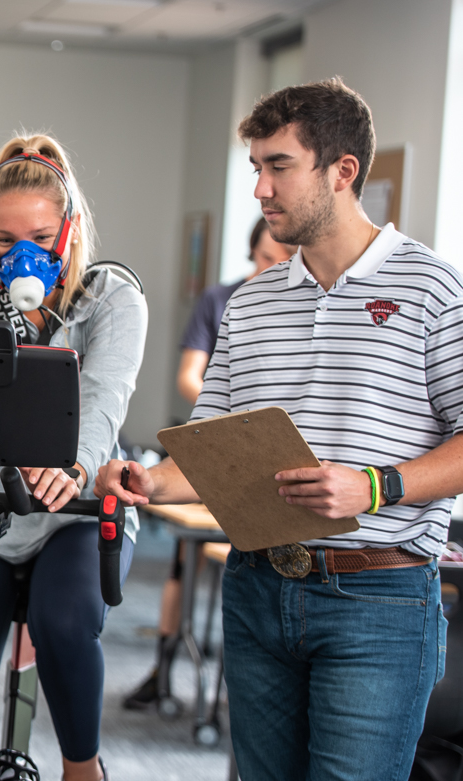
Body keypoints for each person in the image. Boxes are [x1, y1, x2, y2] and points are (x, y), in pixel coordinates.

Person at [96, 78, 463, 781]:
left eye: (279, 167)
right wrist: (150, 478)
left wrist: (375, 487)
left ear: (342, 171)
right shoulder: (253, 302)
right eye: (256, 168)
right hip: (260, 588)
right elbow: (214, 442)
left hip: (378, 603)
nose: (260, 189)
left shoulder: (431, 287)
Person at [0, 134, 147, 781]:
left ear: (69, 230)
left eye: (41, 236)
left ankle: (83, 768)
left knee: (63, 621)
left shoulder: (110, 299)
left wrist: (74, 463)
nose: (24, 254)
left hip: (73, 509)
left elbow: (104, 397)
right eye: (5, 236)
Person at [123, 218, 294, 710]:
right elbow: (190, 377)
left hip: (278, 458)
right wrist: (238, 420)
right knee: (185, 560)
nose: (272, 268)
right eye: (264, 259)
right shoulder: (222, 302)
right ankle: (163, 667)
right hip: (225, 439)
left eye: (282, 260)